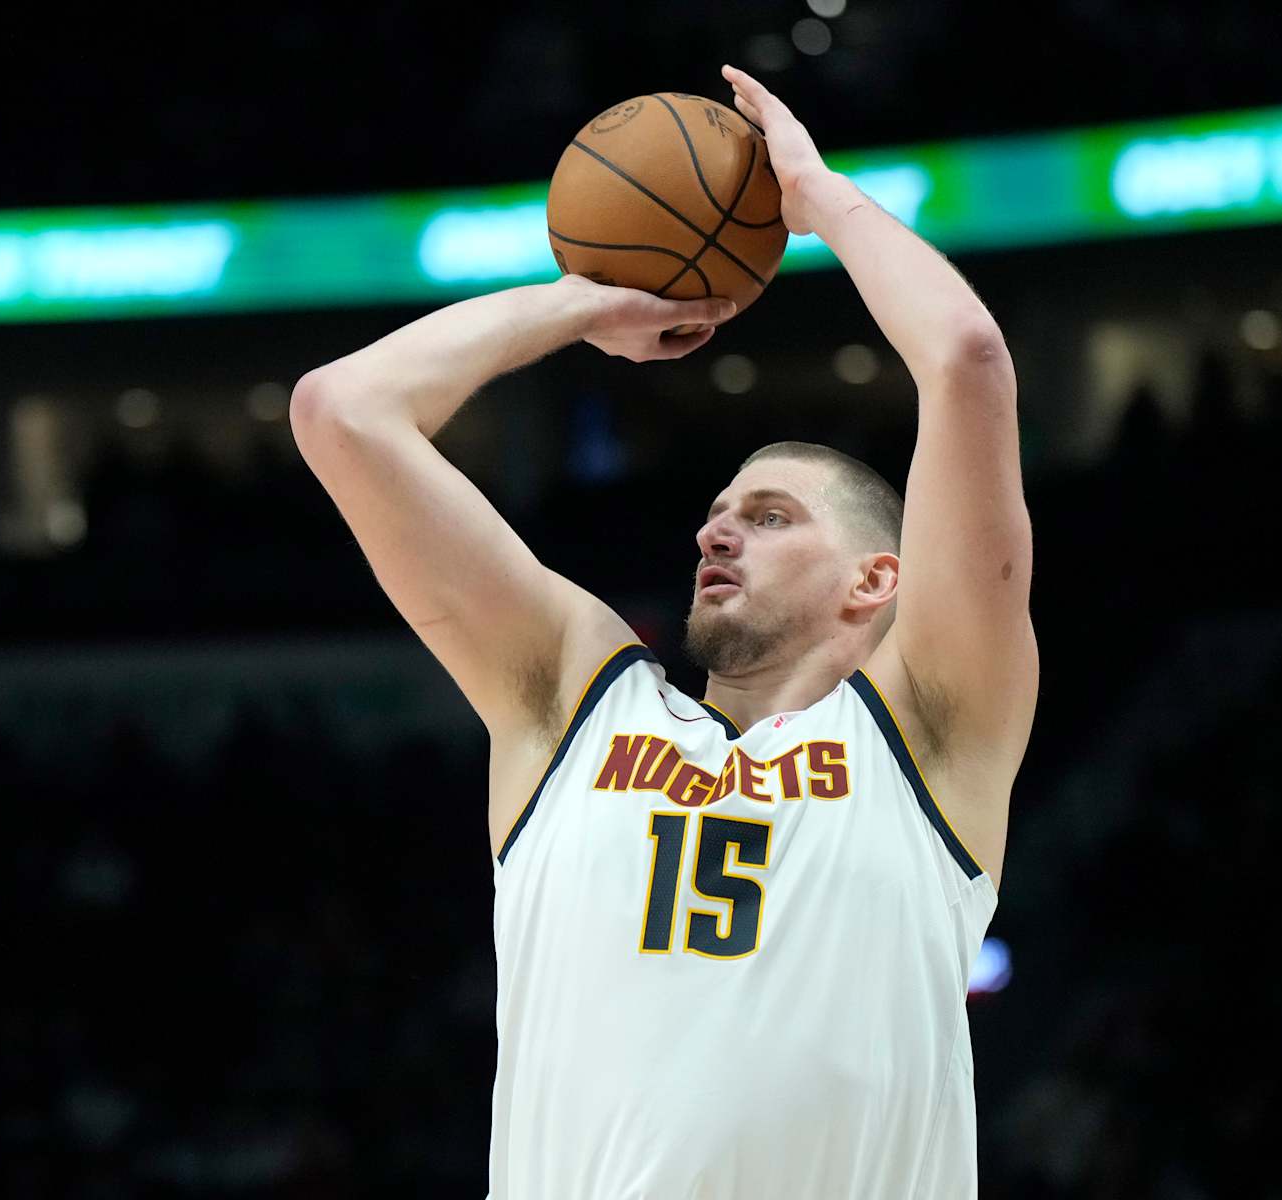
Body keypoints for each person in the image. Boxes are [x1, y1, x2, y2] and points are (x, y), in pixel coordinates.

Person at [291, 63, 1036, 1200]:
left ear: (880, 578)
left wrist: (816, 196)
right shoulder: (571, 702)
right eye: (716, 514)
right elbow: (344, 411)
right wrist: (590, 303)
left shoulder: (933, 730)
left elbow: (966, 359)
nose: (716, 535)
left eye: (770, 516)